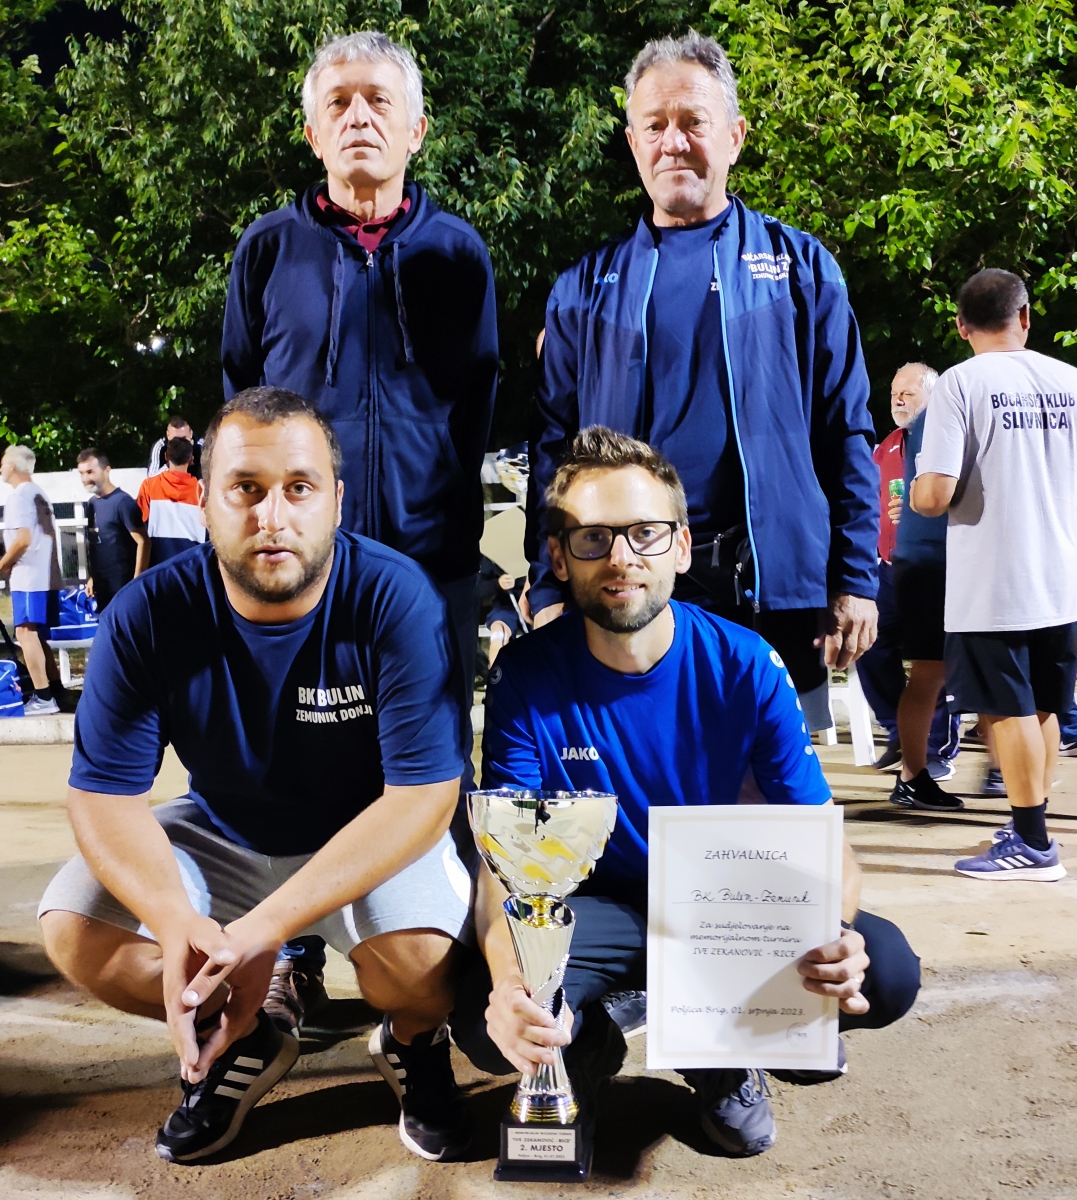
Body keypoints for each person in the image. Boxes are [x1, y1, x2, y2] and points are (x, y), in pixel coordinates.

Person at [453, 428, 920, 1157]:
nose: (620, 557)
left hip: (719, 905)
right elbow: (504, 865)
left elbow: (822, 839)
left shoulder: (745, 664)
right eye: (592, 537)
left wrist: (834, 933)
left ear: (680, 545)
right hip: (595, 906)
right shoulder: (526, 676)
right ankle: (587, 1047)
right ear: (557, 557)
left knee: (884, 971)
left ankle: (720, 1055)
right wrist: (512, 987)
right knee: (478, 1015)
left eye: (644, 533)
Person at [38, 387, 475, 1165]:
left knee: (423, 967)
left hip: (362, 834)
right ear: (204, 502)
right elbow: (103, 795)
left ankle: (412, 1039)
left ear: (336, 501)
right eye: (245, 488)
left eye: (298, 488)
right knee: (76, 931)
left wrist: (262, 931)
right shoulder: (148, 612)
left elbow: (423, 796)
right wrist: (176, 919)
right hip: (225, 828)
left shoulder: (394, 596)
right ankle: (244, 1034)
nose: (272, 515)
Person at [527, 32, 879, 732]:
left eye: (693, 121)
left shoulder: (802, 270)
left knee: (769, 792)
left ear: (734, 136)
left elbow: (847, 432)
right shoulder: (583, 289)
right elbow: (552, 453)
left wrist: (855, 578)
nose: (674, 142)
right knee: (636, 780)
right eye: (655, 125)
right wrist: (546, 584)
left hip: (769, 588)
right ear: (633, 142)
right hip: (626, 580)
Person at [222, 29, 497, 717]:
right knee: (296, 756)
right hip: (299, 563)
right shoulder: (267, 249)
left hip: (430, 565)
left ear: (415, 131)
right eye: (338, 103)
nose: (358, 118)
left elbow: (477, 405)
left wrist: (449, 522)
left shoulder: (459, 254)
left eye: (378, 100)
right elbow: (240, 408)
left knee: (429, 757)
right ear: (314, 135)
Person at [912, 269, 1077, 880]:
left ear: (961, 326)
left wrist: (919, 492)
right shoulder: (1070, 380)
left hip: (993, 580)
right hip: (1062, 576)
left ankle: (1032, 843)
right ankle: (1034, 825)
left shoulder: (961, 383)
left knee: (1006, 709)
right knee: (1045, 706)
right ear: (1025, 317)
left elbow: (934, 495)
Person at [856, 364, 960, 781]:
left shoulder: (945, 440)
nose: (898, 400)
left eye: (909, 394)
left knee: (930, 662)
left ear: (932, 398)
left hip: (934, 565)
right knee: (868, 644)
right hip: (887, 566)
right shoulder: (886, 446)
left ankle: (935, 750)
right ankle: (900, 729)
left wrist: (919, 511)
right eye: (894, 393)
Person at [0, 444, 64, 714]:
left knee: (24, 633)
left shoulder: (19, 496)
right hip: (45, 574)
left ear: (13, 465)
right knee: (36, 634)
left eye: (3, 463)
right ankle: (56, 691)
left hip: (28, 575)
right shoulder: (39, 493)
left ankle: (44, 697)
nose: (1, 468)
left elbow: (23, 539)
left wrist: (3, 564)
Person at [76, 449, 147, 612]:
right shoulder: (91, 504)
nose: (85, 479)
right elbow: (95, 543)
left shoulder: (122, 502)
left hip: (124, 586)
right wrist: (92, 577)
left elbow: (144, 541)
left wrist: (137, 579)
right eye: (81, 473)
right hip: (102, 587)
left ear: (106, 470)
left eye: (90, 472)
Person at [135, 437, 205, 568]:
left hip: (158, 564)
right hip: (193, 564)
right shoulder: (202, 490)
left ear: (166, 456)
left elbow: (138, 524)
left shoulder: (149, 486)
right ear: (191, 459)